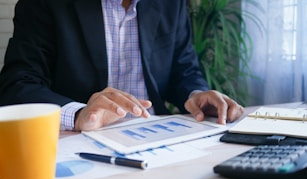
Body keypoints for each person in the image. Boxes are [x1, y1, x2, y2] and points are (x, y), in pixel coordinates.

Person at [0, 0, 244, 131]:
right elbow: (17, 85)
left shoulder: (171, 3)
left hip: (156, 138)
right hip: (79, 141)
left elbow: (184, 69)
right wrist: (78, 114)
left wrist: (197, 94)